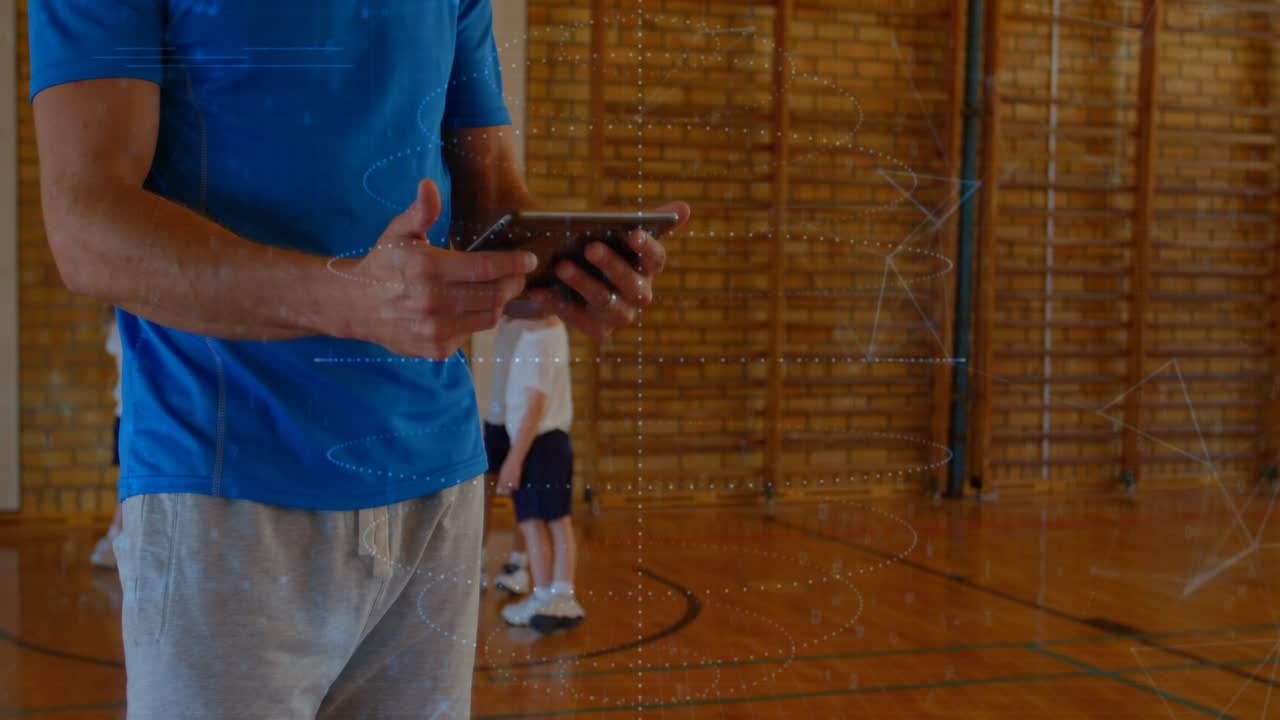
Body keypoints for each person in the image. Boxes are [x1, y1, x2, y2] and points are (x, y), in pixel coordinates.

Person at [29, 2, 687, 716]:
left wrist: (558, 269)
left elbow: (489, 206)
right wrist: (352, 301)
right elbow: (86, 225)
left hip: (434, 483)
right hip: (226, 484)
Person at [494, 314, 582, 633]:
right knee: (542, 521)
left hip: (539, 442)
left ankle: (556, 594)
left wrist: (514, 459)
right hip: (541, 442)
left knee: (545, 521)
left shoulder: (545, 338)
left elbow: (534, 405)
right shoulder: (537, 334)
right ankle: (550, 595)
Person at [482, 316, 531, 595]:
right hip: (497, 417)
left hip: (521, 421)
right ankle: (478, 559)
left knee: (522, 493)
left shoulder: (537, 322)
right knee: (485, 491)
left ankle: (518, 562)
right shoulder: (501, 318)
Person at [89, 315, 124, 569]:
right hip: (129, 414)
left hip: (132, 414)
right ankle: (115, 536)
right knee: (128, 480)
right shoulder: (121, 327)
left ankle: (116, 535)